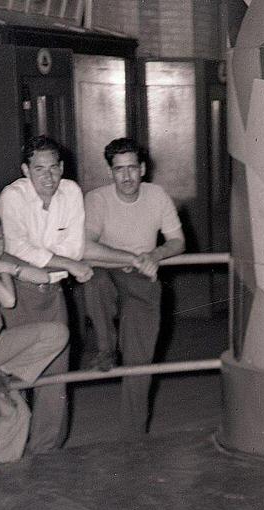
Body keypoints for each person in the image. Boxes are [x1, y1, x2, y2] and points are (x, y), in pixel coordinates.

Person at [0, 135, 94, 454]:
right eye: (39, 169)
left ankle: (44, 455)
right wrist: (65, 263)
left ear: (62, 168)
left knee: (55, 377)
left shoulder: (72, 192)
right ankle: (13, 453)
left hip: (53, 294)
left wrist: (46, 259)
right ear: (25, 170)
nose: (48, 177)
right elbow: (15, 247)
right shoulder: (11, 197)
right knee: (16, 376)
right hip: (17, 294)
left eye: (54, 168)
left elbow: (75, 247)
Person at [82, 138, 185, 435]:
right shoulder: (98, 199)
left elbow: (178, 241)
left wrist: (155, 254)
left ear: (142, 169)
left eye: (131, 168)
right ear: (111, 172)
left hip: (143, 280)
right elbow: (85, 248)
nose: (126, 177)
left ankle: (133, 439)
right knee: (94, 280)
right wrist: (132, 258)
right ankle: (106, 348)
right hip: (108, 272)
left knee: (140, 363)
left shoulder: (157, 195)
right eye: (118, 170)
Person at [0, 211, 70, 467]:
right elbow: (9, 300)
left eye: (0, 238)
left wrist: (8, 268)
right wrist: (5, 269)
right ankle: (1, 370)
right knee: (14, 407)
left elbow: (43, 277)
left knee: (17, 411)